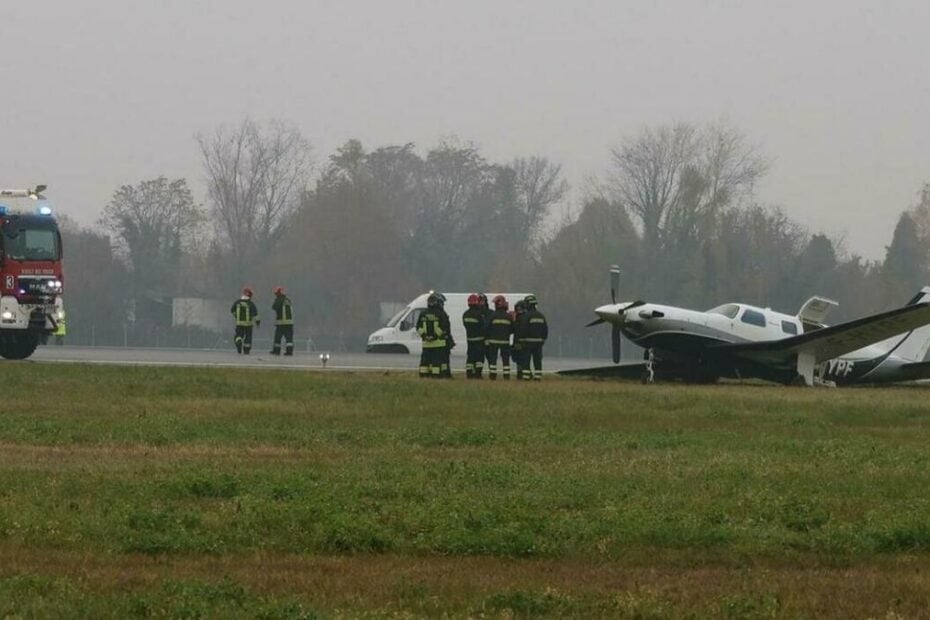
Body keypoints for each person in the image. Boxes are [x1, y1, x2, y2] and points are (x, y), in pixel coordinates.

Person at [417, 293, 452, 378]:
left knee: (425, 363)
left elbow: (418, 327)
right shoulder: (441, 314)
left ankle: (424, 375)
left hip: (426, 344)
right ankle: (437, 376)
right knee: (437, 362)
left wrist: (425, 336)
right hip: (439, 344)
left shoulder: (423, 313)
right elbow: (443, 328)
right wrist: (435, 336)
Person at [515, 294, 548, 380]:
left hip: (527, 343)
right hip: (538, 343)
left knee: (526, 360)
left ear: (528, 304)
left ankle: (526, 377)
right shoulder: (541, 316)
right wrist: (543, 340)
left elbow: (523, 329)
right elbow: (545, 330)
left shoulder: (526, 316)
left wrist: (520, 341)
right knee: (537, 360)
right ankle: (538, 377)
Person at [484, 295, 514, 380]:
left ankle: (493, 376)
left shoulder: (492, 316)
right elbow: (512, 329)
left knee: (493, 360)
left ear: (498, 304)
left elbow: (486, 327)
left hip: (493, 342)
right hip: (505, 342)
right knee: (506, 360)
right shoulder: (509, 316)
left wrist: (491, 334)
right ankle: (506, 376)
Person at [462, 293, 486, 378]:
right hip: (479, 340)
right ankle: (478, 374)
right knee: (479, 358)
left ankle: (469, 374)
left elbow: (465, 325)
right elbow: (483, 326)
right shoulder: (479, 314)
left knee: (470, 357)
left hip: (470, 339)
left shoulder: (465, 314)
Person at [230, 287, 260, 354]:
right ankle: (246, 350)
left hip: (239, 324)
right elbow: (256, 314)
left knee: (238, 335)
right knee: (248, 337)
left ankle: (239, 341)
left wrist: (236, 316)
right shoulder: (251, 304)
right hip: (248, 324)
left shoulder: (237, 302)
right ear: (249, 295)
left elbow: (232, 310)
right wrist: (258, 322)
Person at [270, 286, 295, 356]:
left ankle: (276, 351)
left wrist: (276, 301)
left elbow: (274, 307)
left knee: (277, 337)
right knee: (289, 338)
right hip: (290, 323)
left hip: (281, 323)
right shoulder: (288, 300)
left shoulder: (279, 299)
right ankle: (289, 351)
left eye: (276, 293)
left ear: (279, 293)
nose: (276, 295)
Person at [511, 299, 528, 379]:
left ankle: (521, 374)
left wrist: (513, 320)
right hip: (521, 341)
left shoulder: (520, 318)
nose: (518, 310)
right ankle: (521, 374)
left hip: (519, 341)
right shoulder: (526, 317)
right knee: (520, 359)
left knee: (520, 359)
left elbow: (514, 329)